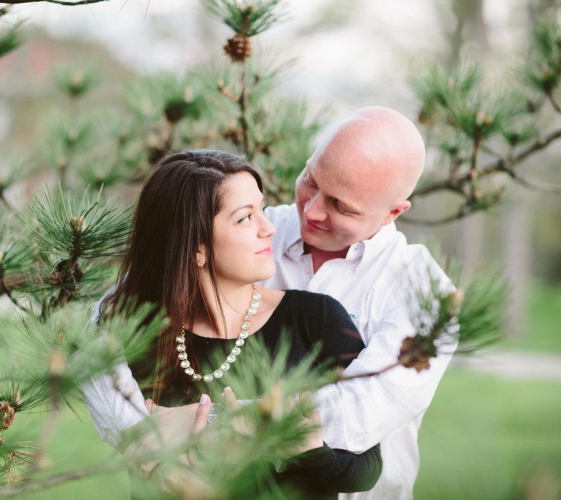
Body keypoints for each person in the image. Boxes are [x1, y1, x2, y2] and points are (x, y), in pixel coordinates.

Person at [84, 150, 383, 497]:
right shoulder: (136, 332)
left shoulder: (316, 320)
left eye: (262, 209)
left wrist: (306, 450)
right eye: (245, 218)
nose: (269, 229)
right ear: (196, 248)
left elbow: (366, 470)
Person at [261, 106, 455, 499]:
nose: (312, 209)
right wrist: (132, 429)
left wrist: (206, 421)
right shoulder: (250, 229)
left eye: (340, 205)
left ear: (392, 213)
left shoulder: (423, 291)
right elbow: (113, 317)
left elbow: (358, 412)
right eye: (310, 180)